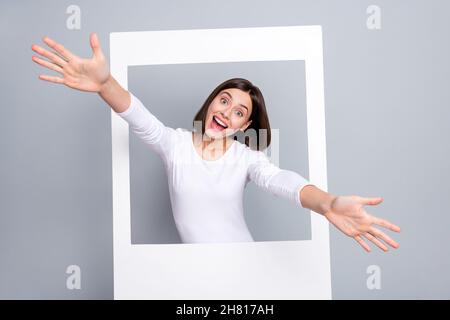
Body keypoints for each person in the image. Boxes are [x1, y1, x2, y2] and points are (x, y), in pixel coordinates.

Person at [31, 32, 401, 251]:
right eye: (224, 100)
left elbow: (282, 182)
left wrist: (329, 203)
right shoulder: (173, 144)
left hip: (244, 269)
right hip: (194, 276)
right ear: (211, 101)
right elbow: (137, 115)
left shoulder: (247, 158)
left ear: (245, 125)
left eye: (240, 111)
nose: (227, 111)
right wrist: (104, 85)